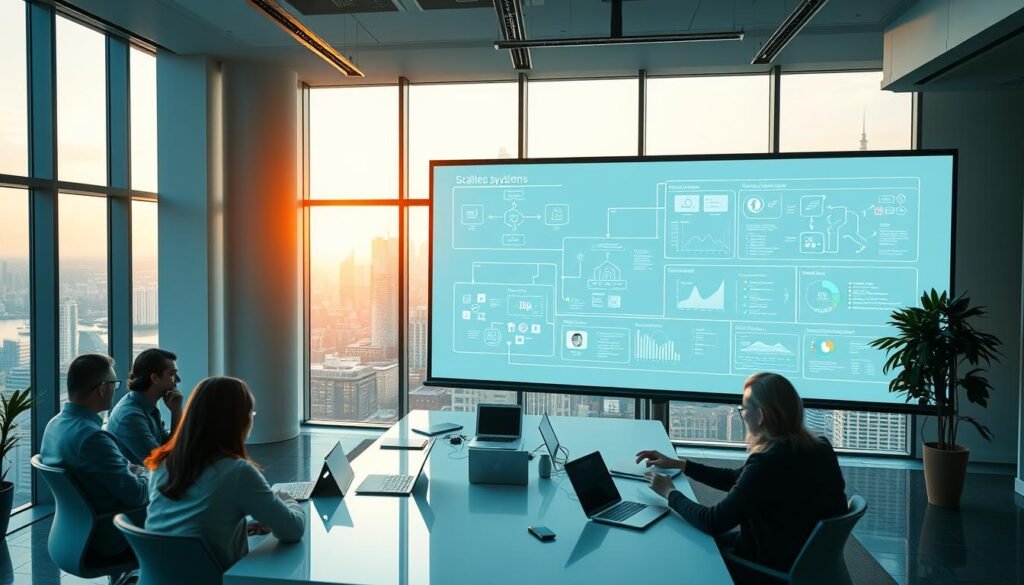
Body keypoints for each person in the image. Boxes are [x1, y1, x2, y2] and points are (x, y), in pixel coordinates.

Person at [636, 372, 847, 584]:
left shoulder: (767, 463)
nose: (743, 415)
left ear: (761, 415)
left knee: (686, 541)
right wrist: (681, 464)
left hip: (768, 564)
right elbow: (737, 479)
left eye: (744, 409)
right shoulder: (820, 448)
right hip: (802, 555)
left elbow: (713, 521)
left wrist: (669, 492)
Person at [144, 376, 305, 570]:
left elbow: (181, 522)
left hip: (161, 576)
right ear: (239, 420)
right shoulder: (237, 471)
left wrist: (235, 527)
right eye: (250, 413)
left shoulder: (163, 462)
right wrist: (289, 502)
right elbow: (292, 530)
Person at [40, 354, 149, 562]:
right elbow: (137, 495)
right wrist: (150, 474)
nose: (115, 390)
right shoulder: (93, 438)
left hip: (75, 533)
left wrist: (131, 472)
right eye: (114, 384)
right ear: (101, 388)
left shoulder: (55, 424)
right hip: (110, 536)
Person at [108, 348, 184, 465]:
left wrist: (176, 411)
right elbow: (162, 463)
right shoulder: (131, 416)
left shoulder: (147, 405)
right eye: (172, 374)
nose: (178, 380)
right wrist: (177, 411)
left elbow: (168, 447)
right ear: (155, 378)